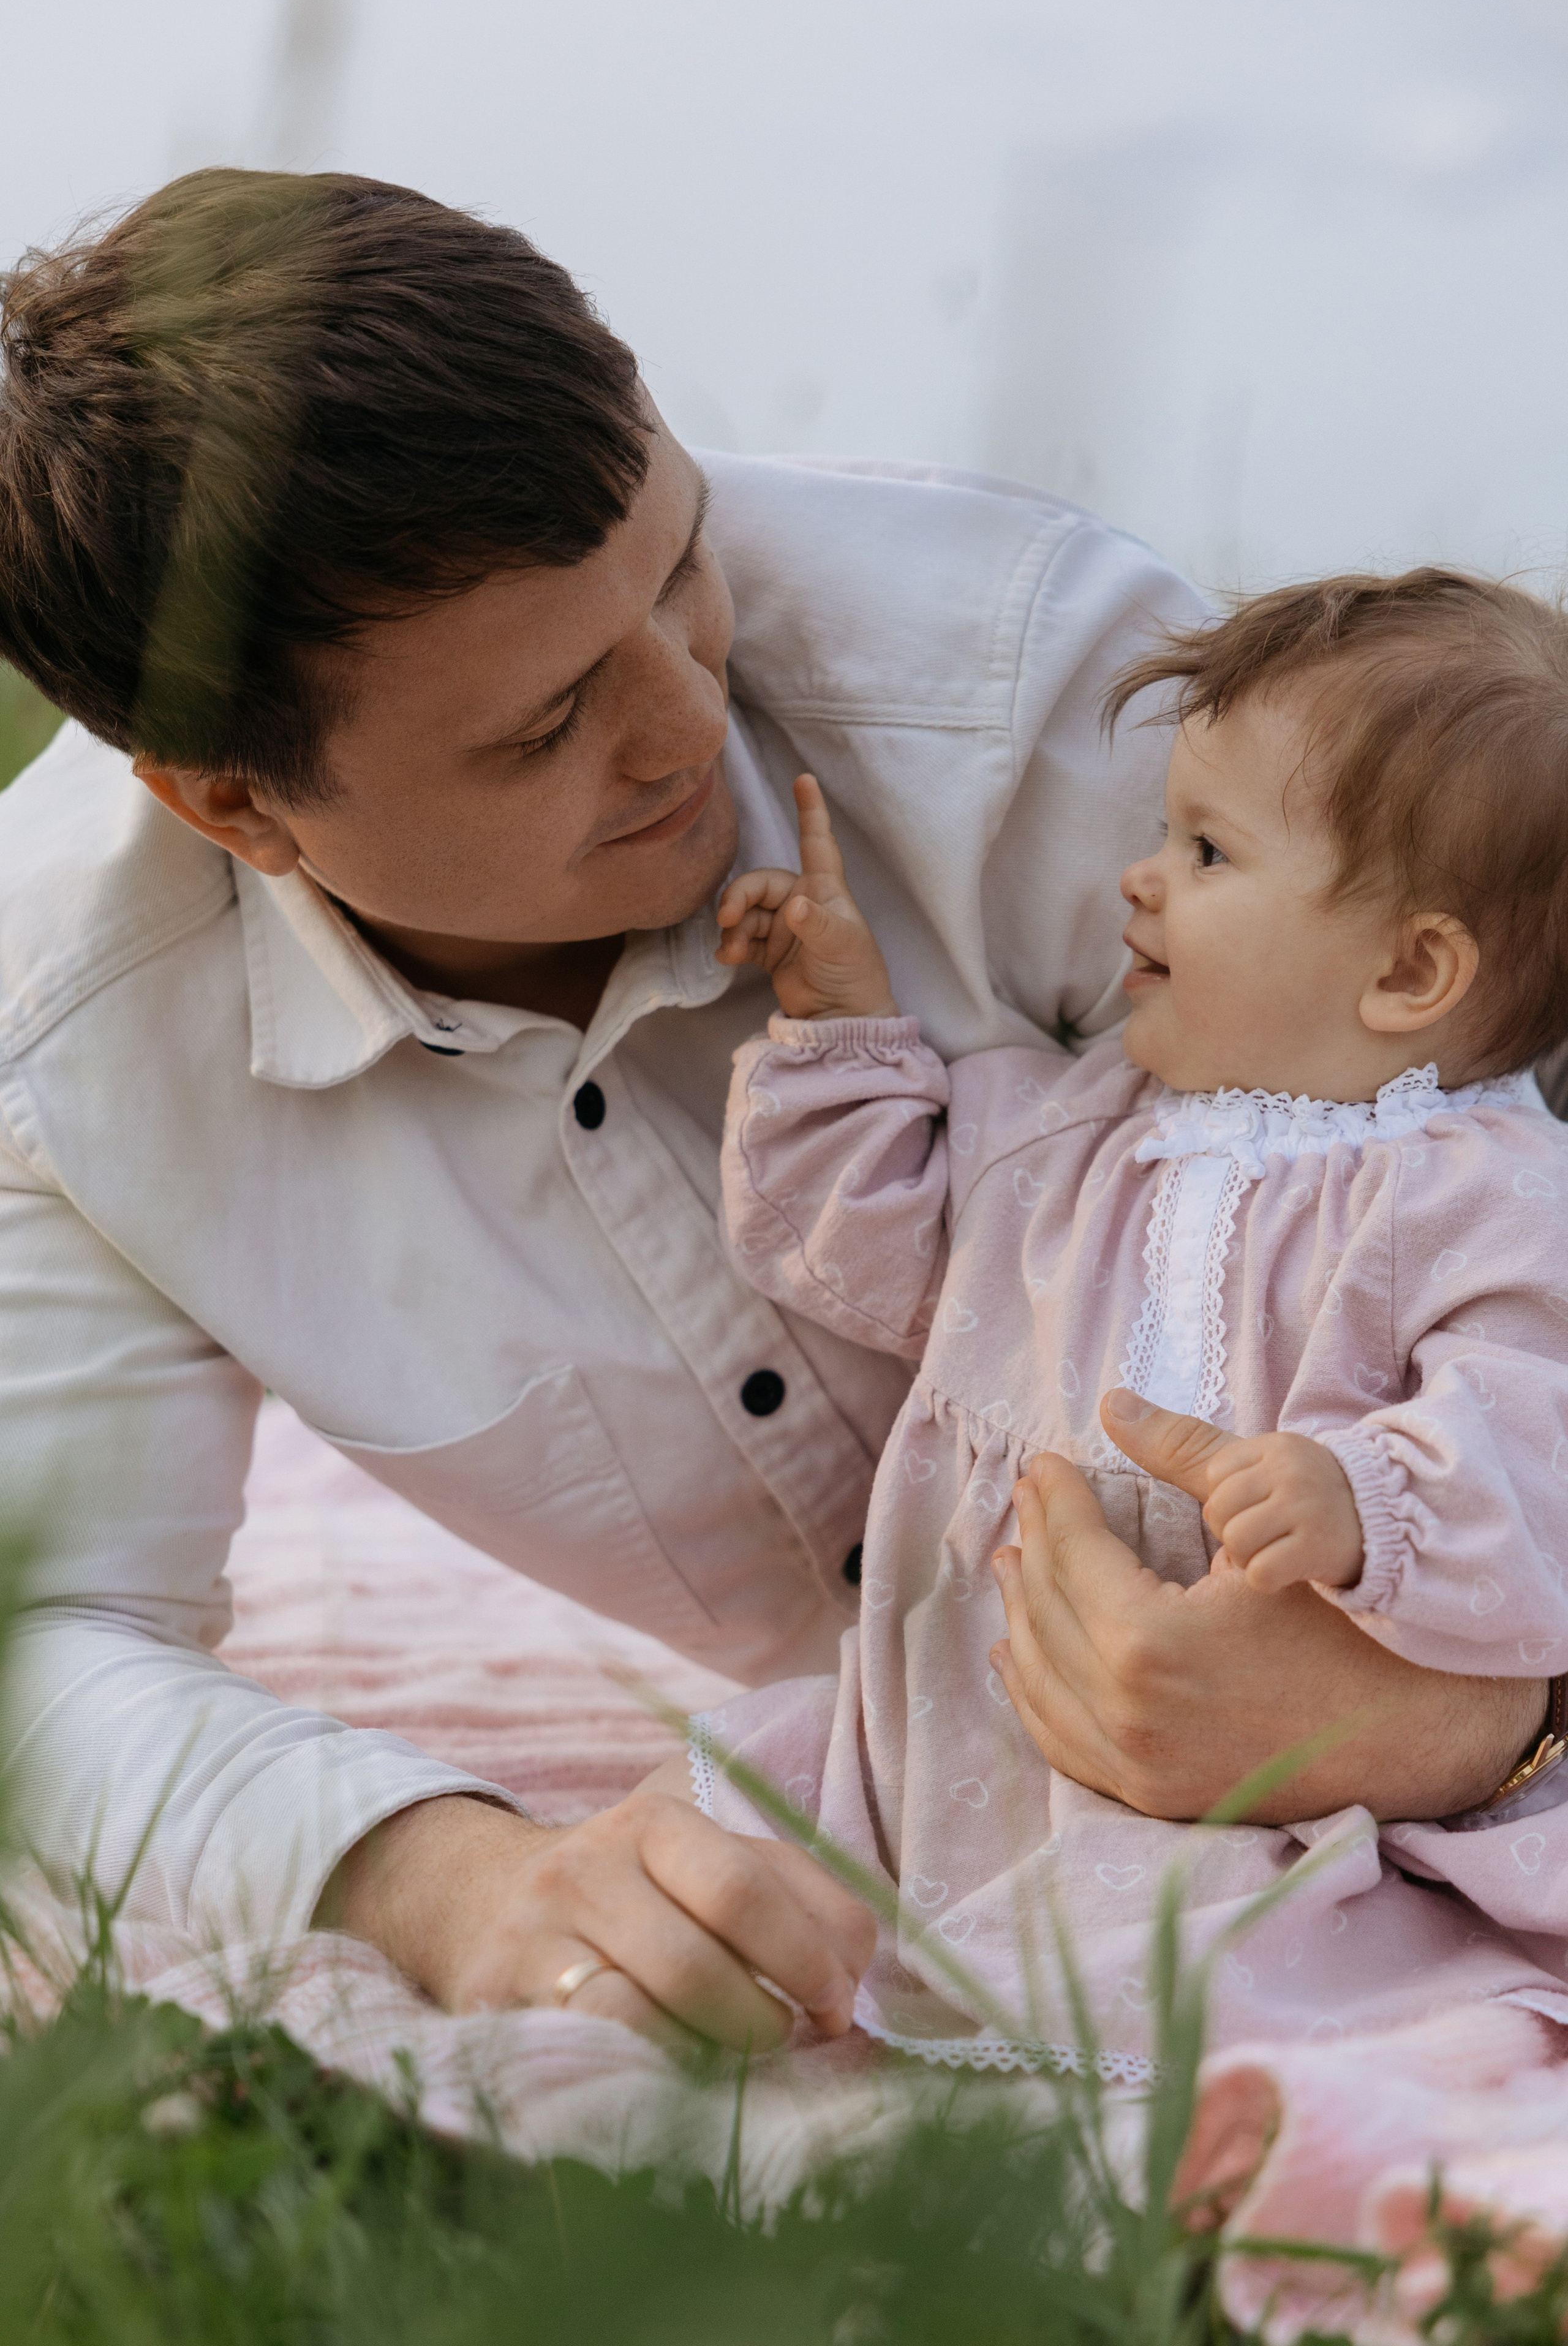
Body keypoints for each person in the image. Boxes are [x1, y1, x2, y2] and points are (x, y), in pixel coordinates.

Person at [0, 168, 1545, 2054]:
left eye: (683, 570)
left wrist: (1472, 1717)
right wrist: (445, 1877)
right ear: (232, 807)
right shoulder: (56, 1046)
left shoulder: (1048, 700)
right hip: (887, 1815)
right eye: (546, 725)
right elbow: (43, 1645)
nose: (688, 722)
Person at [674, 570, 1568, 2070]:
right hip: (960, 1729)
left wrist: (1364, 1495)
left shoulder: (1484, 1192)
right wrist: (834, 1023)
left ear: (1410, 970)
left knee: (1217, 1978)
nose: (1137, 881)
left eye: (1205, 850)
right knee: (725, 1849)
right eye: (1165, 833)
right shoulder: (1075, 1125)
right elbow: (865, 1254)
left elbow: (1532, 1428)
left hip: (1263, 1771)